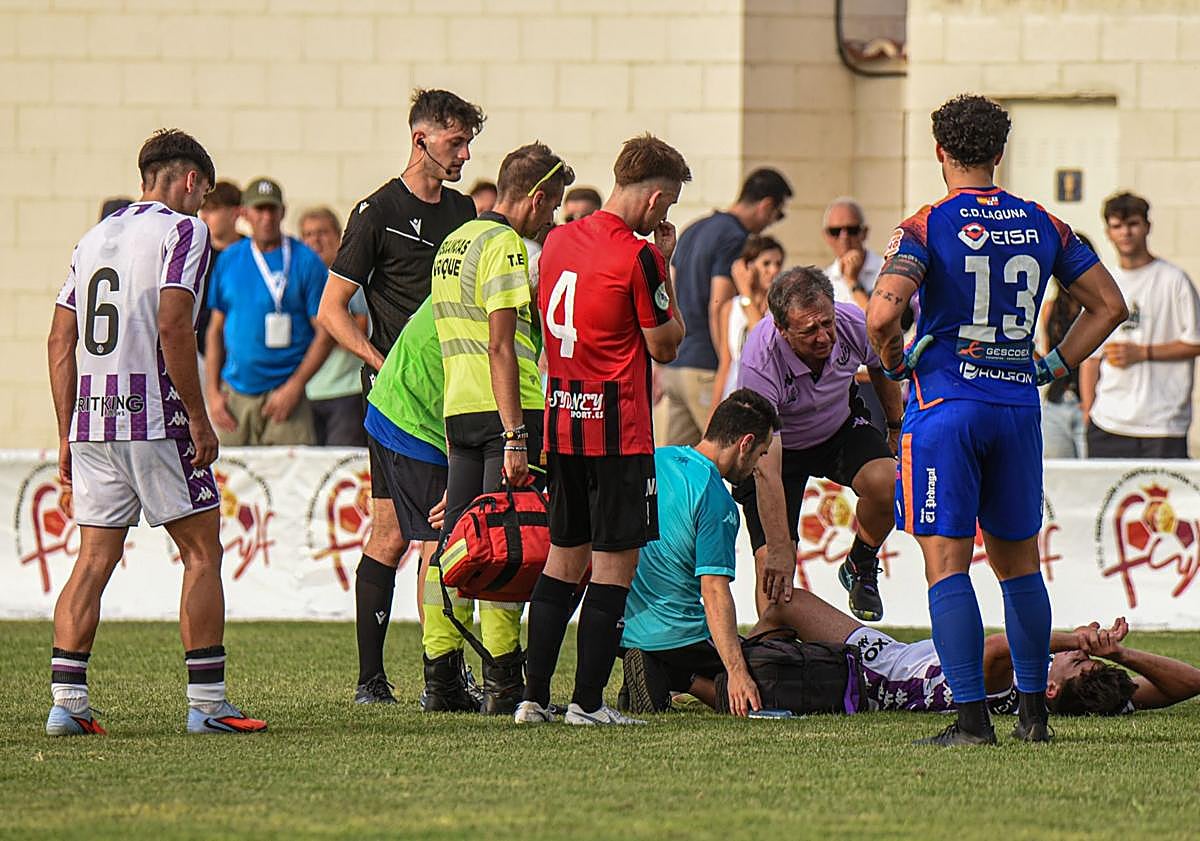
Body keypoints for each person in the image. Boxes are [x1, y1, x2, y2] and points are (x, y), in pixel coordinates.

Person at [865, 93, 1127, 747]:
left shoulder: (927, 225)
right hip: (1016, 406)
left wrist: (897, 360)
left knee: (947, 565)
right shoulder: (1042, 223)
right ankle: (1034, 717)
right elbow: (1109, 304)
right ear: (999, 153)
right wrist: (1054, 363)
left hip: (946, 406)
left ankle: (972, 719)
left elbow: (880, 315)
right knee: (1020, 566)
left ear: (940, 153)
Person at [45, 128, 265, 736]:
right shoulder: (183, 230)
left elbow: (60, 339)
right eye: (203, 192)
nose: (201, 205)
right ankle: (207, 704)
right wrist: (197, 416)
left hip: (93, 418)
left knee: (93, 558)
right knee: (201, 549)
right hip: (154, 417)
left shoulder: (94, 237)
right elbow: (174, 323)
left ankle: (67, 703)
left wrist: (67, 432)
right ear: (190, 181)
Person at [516, 134, 690, 726]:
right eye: (665, 209)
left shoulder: (559, 238)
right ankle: (587, 704)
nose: (663, 219)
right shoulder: (639, 256)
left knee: (563, 560)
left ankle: (532, 698)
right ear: (656, 197)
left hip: (563, 422)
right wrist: (668, 263)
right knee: (615, 566)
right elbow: (665, 346)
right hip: (617, 431)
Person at [315, 88, 482, 703]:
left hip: (454, 395)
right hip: (400, 404)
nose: (464, 154)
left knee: (405, 533)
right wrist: (378, 360)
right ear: (421, 141)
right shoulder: (377, 211)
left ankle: (399, 677)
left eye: (468, 143)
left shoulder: (463, 213)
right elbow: (332, 310)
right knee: (428, 533)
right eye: (454, 142)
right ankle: (410, 676)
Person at [424, 142, 573, 714]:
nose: (552, 217)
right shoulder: (507, 245)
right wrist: (515, 432)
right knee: (510, 546)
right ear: (534, 196)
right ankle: (504, 686)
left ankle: (440, 679)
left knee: (453, 548)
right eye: (551, 205)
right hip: (507, 415)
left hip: (459, 412)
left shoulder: (455, 240)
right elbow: (501, 343)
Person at [625, 579, 1200, 718]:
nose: (1081, 656)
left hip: (877, 674)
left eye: (1074, 661)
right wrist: (1121, 658)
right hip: (888, 651)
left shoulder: (1013, 682)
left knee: (766, 671)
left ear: (1049, 687)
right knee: (785, 604)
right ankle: (724, 665)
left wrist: (1076, 636)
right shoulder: (1096, 695)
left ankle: (684, 678)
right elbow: (1190, 683)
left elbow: (999, 643)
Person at [733, 266, 901, 624]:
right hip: (777, 450)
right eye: (809, 331)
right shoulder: (759, 361)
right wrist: (779, 547)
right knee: (774, 570)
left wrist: (894, 428)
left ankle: (862, 561)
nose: (824, 337)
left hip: (837, 427)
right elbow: (765, 467)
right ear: (781, 330)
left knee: (891, 482)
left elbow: (880, 367)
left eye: (826, 323)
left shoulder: (852, 322)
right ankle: (773, 654)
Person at [619, 390, 779, 717]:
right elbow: (714, 590)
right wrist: (737, 672)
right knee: (770, 683)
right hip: (676, 635)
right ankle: (677, 675)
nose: (757, 466)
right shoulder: (715, 496)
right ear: (744, 443)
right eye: (761, 454)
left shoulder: (655, 459)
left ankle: (656, 668)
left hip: (621, 627)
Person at [658, 168, 792, 446]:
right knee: (726, 453)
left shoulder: (694, 228)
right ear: (767, 205)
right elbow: (718, 304)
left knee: (678, 462)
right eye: (777, 215)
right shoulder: (734, 236)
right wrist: (724, 363)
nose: (770, 223)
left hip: (678, 362)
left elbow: (668, 289)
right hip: (706, 366)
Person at [204, 178, 331, 446]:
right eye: (259, 210)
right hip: (236, 396)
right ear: (244, 213)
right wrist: (213, 392)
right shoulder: (229, 259)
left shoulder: (305, 260)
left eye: (272, 210)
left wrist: (295, 386)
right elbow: (215, 329)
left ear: (282, 212)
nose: (266, 217)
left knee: (293, 481)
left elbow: (325, 333)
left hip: (286, 394)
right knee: (231, 482)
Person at [1081, 192, 1200, 459]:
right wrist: (1088, 409)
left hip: (1162, 424)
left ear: (1147, 226)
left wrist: (1143, 352)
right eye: (1117, 226)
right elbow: (1090, 357)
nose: (1126, 232)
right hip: (1108, 421)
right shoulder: (1104, 282)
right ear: (1108, 232)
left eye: (1133, 224)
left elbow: (1195, 342)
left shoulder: (1174, 280)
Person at [299, 207, 367, 447]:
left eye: (322, 233)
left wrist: (323, 327)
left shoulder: (347, 278)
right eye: (307, 234)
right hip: (306, 391)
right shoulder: (300, 276)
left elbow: (360, 326)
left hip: (344, 392)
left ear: (339, 236)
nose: (315, 240)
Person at [1039, 232, 1097, 459]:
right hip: (1056, 400)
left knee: (1090, 474)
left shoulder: (1097, 308)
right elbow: (1045, 352)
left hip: (1089, 403)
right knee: (1059, 474)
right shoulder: (1050, 309)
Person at [711, 234, 784, 406]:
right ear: (748, 266)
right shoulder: (730, 308)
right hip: (734, 396)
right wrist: (713, 412)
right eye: (766, 263)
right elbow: (725, 365)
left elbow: (763, 339)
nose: (773, 270)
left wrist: (746, 293)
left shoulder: (781, 308)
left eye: (778, 264)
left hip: (766, 397)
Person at [195, 180, 242, 360]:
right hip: (201, 354)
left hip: (239, 356)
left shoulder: (252, 254)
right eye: (202, 210)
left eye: (212, 210)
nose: (204, 217)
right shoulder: (197, 255)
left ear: (235, 213)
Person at [823, 197, 883, 310]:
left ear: (864, 232)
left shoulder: (886, 271)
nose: (844, 237)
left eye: (852, 230)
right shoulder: (823, 281)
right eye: (835, 231)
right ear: (827, 236)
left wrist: (852, 281)